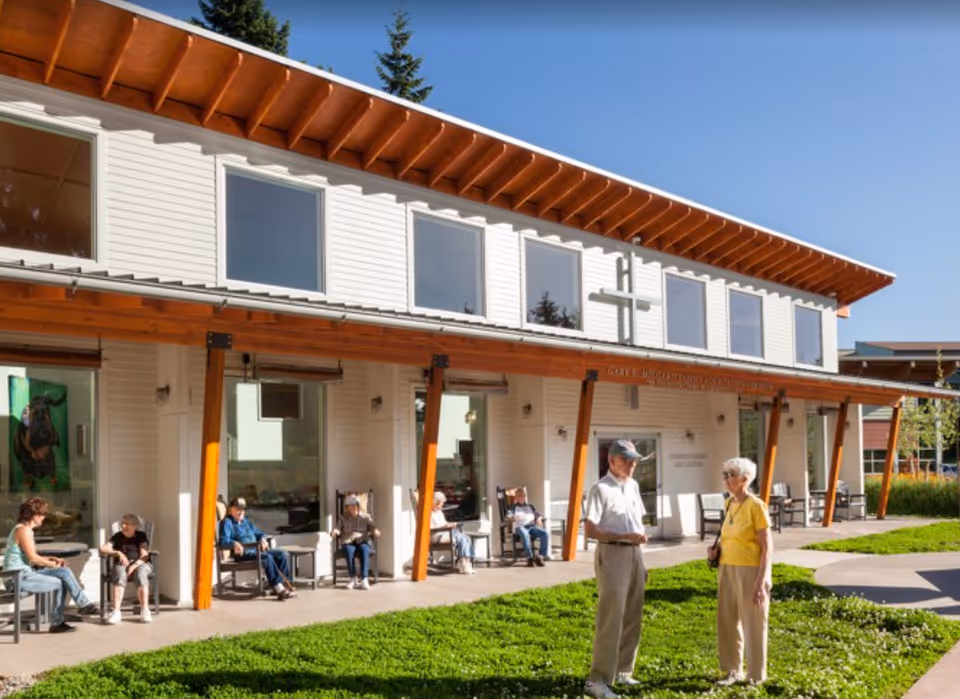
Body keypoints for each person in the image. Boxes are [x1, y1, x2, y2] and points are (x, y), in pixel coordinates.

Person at [583, 439, 650, 699]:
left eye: (634, 459)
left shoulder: (632, 486)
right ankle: (597, 680)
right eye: (626, 459)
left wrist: (639, 550)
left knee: (633, 613)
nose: (633, 463)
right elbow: (591, 530)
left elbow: (637, 523)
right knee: (611, 616)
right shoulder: (600, 489)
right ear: (611, 461)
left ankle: (623, 670)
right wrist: (627, 537)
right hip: (612, 553)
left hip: (634, 554)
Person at [707, 457, 773, 686]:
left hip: (750, 570)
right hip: (727, 568)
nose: (726, 479)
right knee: (727, 620)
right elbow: (729, 537)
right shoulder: (729, 504)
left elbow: (767, 546)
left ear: (745, 479)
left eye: (731, 475)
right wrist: (716, 551)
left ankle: (756, 676)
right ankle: (732, 670)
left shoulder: (756, 506)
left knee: (753, 622)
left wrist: (761, 581)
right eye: (725, 474)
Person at [2, 497, 99, 633]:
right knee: (61, 581)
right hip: (16, 579)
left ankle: (83, 605)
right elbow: (33, 559)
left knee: (64, 572)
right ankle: (58, 622)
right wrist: (51, 564)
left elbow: (31, 557)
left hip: (25, 574)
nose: (44, 517)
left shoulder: (26, 530)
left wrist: (51, 558)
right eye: (42, 514)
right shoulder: (23, 530)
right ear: (32, 514)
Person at [219, 497, 297, 601]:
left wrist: (263, 539)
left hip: (256, 551)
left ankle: (285, 586)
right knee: (267, 557)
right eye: (237, 509)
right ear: (231, 509)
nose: (240, 512)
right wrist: (234, 543)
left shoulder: (246, 522)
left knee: (281, 554)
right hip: (243, 555)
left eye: (242, 509)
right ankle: (279, 589)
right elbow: (223, 541)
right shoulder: (227, 522)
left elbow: (259, 533)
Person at [98, 513, 153, 624]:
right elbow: (102, 548)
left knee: (141, 574)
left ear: (134, 526)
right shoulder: (118, 536)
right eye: (122, 523)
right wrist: (117, 552)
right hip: (122, 564)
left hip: (140, 563)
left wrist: (133, 565)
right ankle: (116, 612)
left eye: (126, 524)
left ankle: (145, 611)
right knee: (119, 573)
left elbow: (144, 555)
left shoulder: (140, 536)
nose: (123, 526)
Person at [332, 494, 380, 590]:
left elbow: (373, 527)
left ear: (357, 506)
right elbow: (338, 528)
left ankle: (364, 579)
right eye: (349, 507)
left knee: (364, 549)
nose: (351, 508)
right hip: (348, 540)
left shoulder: (366, 517)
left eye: (353, 506)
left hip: (362, 540)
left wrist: (375, 531)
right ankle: (353, 578)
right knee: (349, 551)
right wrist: (335, 531)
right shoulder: (343, 517)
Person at [430, 491, 476, 574]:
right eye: (441, 503)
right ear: (435, 502)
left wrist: (449, 524)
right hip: (436, 534)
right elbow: (431, 528)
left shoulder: (439, 512)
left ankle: (465, 561)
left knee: (466, 537)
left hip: (445, 532)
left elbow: (444, 523)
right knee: (461, 538)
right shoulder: (429, 513)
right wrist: (445, 527)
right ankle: (462, 563)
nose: (442, 506)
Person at [506, 488, 550, 567]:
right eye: (519, 496)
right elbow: (508, 516)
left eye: (523, 496)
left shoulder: (530, 506)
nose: (522, 497)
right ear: (516, 497)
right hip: (520, 526)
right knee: (524, 534)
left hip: (532, 527)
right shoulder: (512, 507)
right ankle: (529, 558)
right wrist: (512, 518)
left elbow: (537, 514)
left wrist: (539, 519)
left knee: (545, 533)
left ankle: (540, 557)